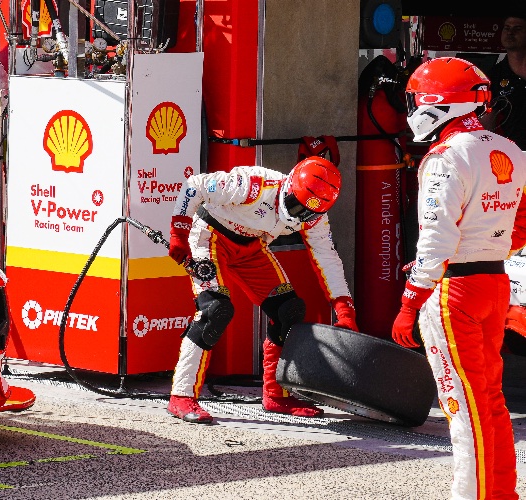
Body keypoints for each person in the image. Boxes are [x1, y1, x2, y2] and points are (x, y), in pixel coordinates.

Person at [393, 56, 525, 500]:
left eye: (413, 98)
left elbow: (435, 238)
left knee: (463, 410)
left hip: (454, 292)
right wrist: (487, 248)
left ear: (433, 102)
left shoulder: (445, 157)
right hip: (495, 283)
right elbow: (522, 223)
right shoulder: (511, 150)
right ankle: (501, 493)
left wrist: (410, 303)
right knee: (491, 401)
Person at [165, 157, 356, 424]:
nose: (301, 214)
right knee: (215, 311)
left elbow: (327, 256)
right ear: (287, 186)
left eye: (308, 212)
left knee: (289, 310)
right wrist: (179, 234)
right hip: (209, 236)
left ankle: (276, 395)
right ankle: (181, 396)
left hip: (253, 247)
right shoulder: (254, 184)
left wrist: (344, 308)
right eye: (295, 205)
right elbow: (193, 186)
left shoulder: (316, 216)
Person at [486, 14, 526, 147]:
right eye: (507, 28)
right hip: (513, 156)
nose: (510, 32)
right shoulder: (493, 76)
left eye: (517, 28)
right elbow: (487, 124)